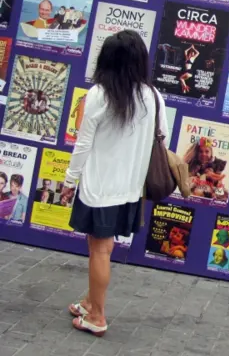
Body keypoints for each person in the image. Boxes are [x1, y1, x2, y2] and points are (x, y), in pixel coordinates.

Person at [63, 30, 169, 337]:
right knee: (100, 245)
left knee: (100, 249)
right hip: (130, 191)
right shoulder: (153, 96)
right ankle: (89, 301)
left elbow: (83, 145)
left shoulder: (98, 95)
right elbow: (162, 137)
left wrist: (70, 179)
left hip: (99, 187)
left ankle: (97, 315)